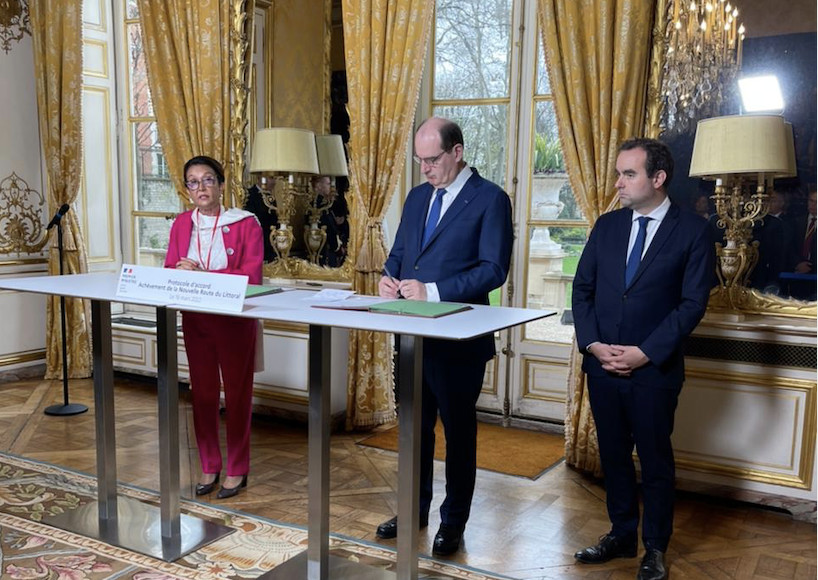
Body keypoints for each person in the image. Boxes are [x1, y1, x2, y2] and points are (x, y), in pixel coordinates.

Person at [571, 138, 714, 580]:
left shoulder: (693, 230)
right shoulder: (607, 226)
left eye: (628, 174)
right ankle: (620, 533)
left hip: (654, 370)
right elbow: (582, 290)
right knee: (612, 457)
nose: (618, 183)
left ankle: (654, 547)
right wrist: (594, 345)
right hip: (602, 365)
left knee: (654, 462)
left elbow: (692, 304)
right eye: (618, 173)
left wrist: (644, 353)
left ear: (658, 178)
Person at [377, 117, 513, 556]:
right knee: (413, 430)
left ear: (457, 152)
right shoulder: (417, 197)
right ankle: (413, 509)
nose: (424, 169)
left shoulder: (491, 198)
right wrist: (388, 276)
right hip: (411, 335)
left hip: (459, 340)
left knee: (458, 433)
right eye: (419, 160)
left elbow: (494, 269)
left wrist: (433, 291)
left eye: (431, 159)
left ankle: (453, 523)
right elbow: (400, 254)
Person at [164, 156, 264, 499]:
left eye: (208, 180)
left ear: (221, 185)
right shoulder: (180, 224)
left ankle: (237, 468)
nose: (201, 188)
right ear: (187, 189)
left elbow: (251, 277)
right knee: (202, 394)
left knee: (237, 395)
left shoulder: (246, 223)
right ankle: (209, 464)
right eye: (193, 182)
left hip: (234, 320)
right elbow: (169, 270)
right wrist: (180, 269)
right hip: (195, 318)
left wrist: (203, 275)